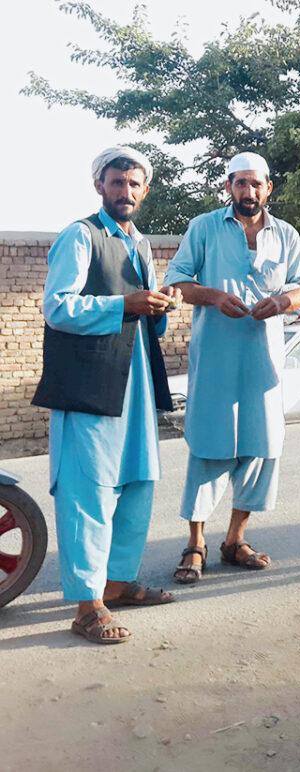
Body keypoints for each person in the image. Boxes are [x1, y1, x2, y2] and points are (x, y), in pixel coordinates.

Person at [32, 147, 179, 644]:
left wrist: (160, 307)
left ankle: (116, 584)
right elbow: (58, 307)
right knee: (88, 491)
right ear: (100, 186)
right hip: (91, 386)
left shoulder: (140, 244)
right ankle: (87, 605)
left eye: (134, 184)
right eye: (117, 182)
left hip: (135, 384)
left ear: (145, 190)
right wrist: (124, 303)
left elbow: (145, 317)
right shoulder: (81, 236)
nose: (126, 191)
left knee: (137, 483)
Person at [165, 152, 300, 584]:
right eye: (240, 183)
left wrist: (282, 301)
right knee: (208, 448)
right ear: (228, 186)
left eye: (256, 184)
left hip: (264, 362)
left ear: (269, 188)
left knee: (259, 449)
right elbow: (177, 282)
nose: (248, 191)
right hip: (215, 360)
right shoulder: (204, 227)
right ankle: (195, 543)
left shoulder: (286, 234)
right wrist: (212, 296)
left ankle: (235, 540)